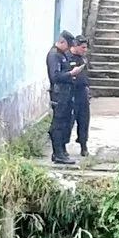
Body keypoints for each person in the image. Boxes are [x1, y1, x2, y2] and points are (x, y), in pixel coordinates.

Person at [47, 31, 80, 164]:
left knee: (66, 122)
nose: (69, 48)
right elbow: (55, 76)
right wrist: (70, 73)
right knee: (58, 124)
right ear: (62, 42)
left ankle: (61, 151)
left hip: (65, 93)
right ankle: (58, 153)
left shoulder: (62, 55)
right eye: (68, 45)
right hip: (58, 94)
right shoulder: (54, 55)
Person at [68, 36, 90, 157]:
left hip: (82, 93)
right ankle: (61, 149)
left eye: (86, 47)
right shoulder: (67, 57)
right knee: (69, 121)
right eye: (83, 47)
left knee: (84, 120)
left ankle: (83, 145)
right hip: (71, 93)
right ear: (75, 46)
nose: (85, 50)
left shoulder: (83, 59)